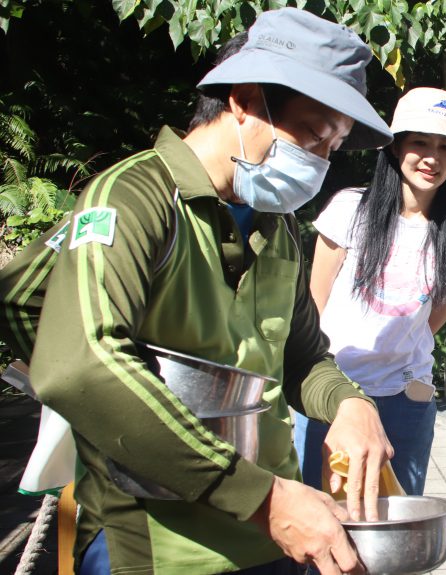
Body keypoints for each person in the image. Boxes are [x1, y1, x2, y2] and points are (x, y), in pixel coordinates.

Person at [0, 9, 395, 575]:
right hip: (159, 545)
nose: (319, 161)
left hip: (273, 537)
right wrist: (262, 498)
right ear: (244, 99)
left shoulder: (274, 226)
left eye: (333, 147)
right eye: (312, 134)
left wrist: (350, 403)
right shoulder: (134, 197)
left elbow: (304, 356)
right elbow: (81, 363)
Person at [294, 87, 446, 496]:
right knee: (321, 507)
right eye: (420, 143)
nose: (432, 157)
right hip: (332, 391)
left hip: (406, 398)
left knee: (396, 517)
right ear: (396, 148)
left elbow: (433, 318)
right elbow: (314, 300)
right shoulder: (348, 209)